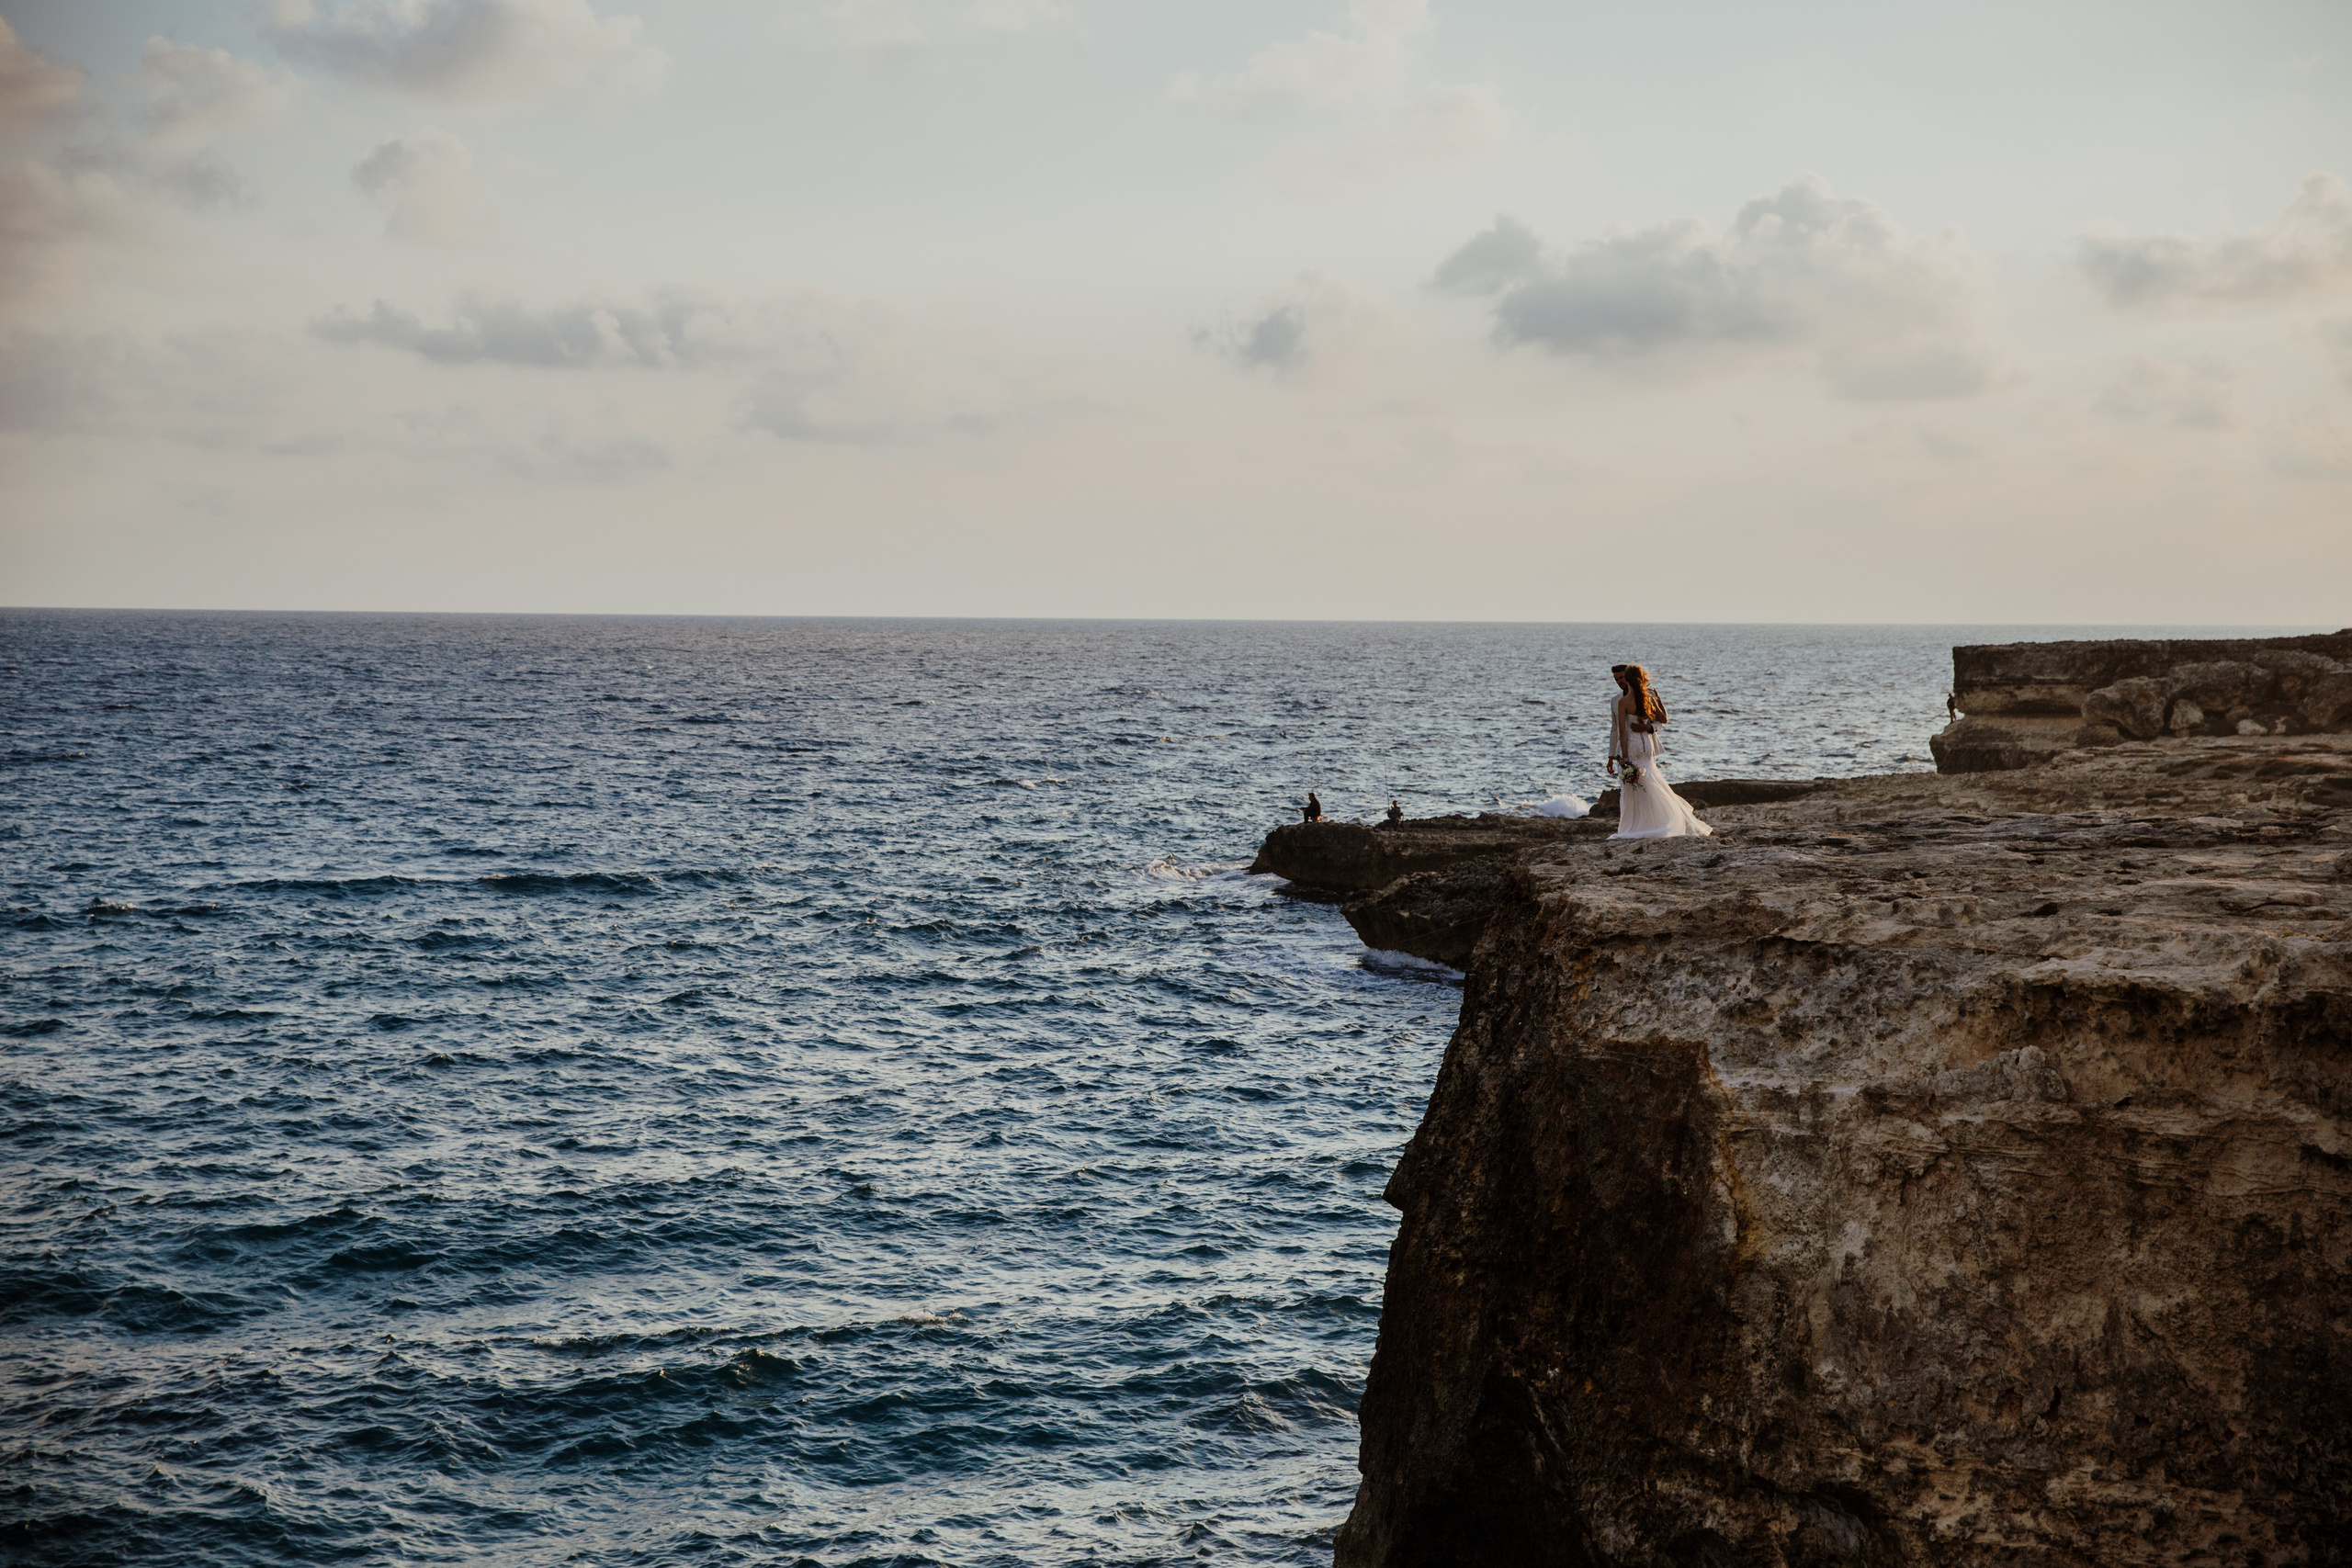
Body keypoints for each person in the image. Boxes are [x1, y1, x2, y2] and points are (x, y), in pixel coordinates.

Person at [1607, 663, 1713, 840]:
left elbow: (1660, 722)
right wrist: (1612, 756)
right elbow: (1615, 730)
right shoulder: (1616, 700)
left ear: (1629, 677)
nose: (1619, 681)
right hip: (1634, 749)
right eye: (1616, 679)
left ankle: (1647, 825)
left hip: (1640, 745)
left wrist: (1648, 727)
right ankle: (1647, 823)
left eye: (1621, 678)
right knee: (1643, 785)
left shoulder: (1646, 696)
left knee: (1643, 785)